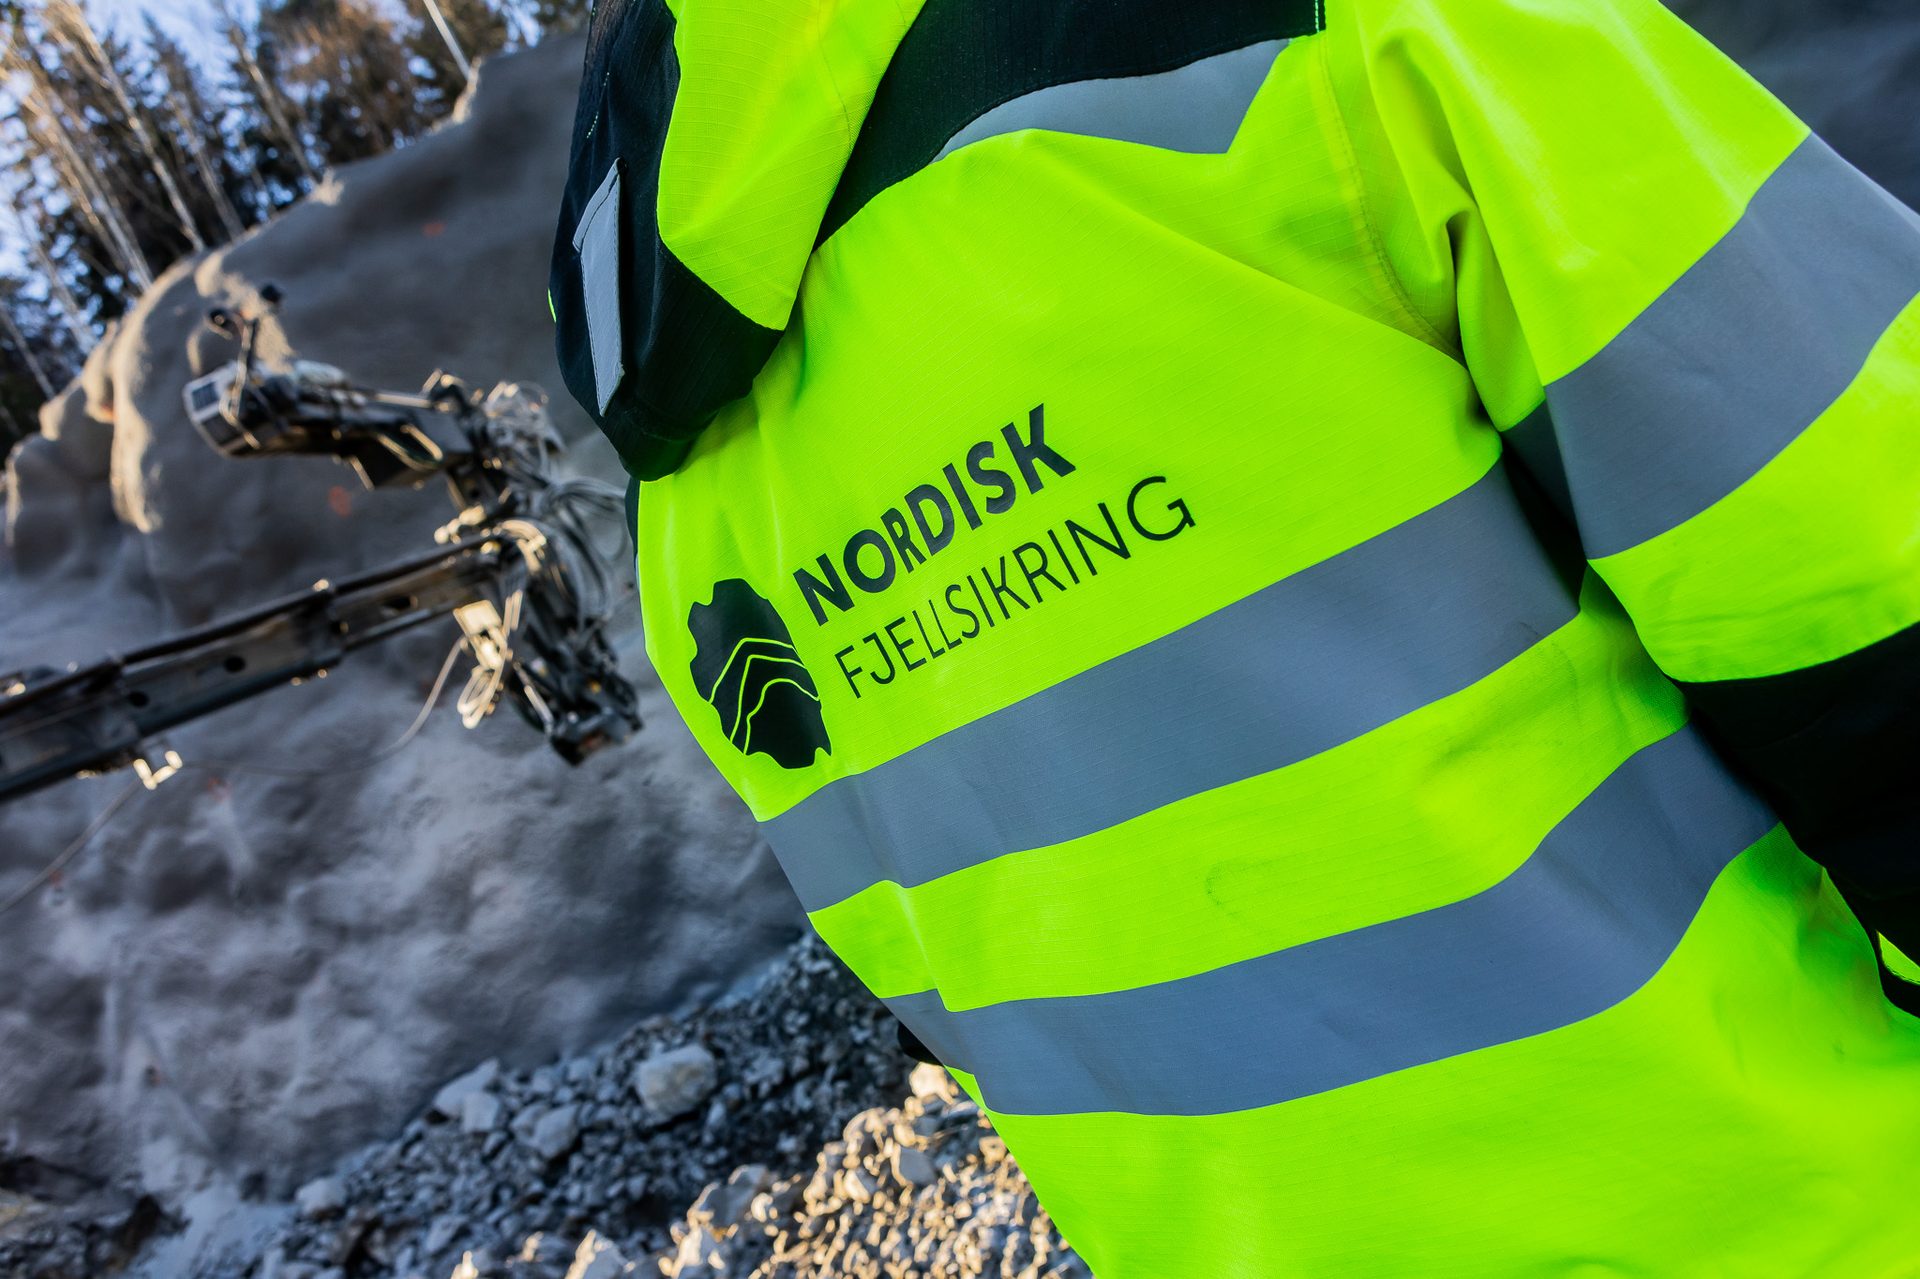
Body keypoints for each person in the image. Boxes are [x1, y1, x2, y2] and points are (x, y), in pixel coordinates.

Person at [548, 0, 1920, 1272]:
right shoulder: (1327, 35)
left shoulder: (674, 405)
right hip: (1794, 1210)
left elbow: (954, 991)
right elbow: (1863, 578)